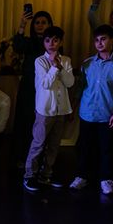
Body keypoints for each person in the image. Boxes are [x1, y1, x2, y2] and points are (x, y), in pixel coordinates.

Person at [70, 25, 113, 195]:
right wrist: (73, 109)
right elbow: (81, 88)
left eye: (103, 39)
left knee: (106, 149)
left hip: (107, 113)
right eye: (96, 40)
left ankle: (106, 179)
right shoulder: (87, 63)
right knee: (84, 147)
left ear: (112, 40)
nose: (99, 43)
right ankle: (81, 176)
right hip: (87, 112)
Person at [22, 26, 74, 192]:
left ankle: (46, 174)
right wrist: (54, 67)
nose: (51, 43)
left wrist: (60, 66)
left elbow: (70, 82)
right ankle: (29, 175)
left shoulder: (66, 60)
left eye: (55, 40)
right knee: (38, 143)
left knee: (54, 144)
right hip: (45, 110)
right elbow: (45, 84)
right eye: (47, 40)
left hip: (61, 110)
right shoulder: (40, 61)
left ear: (60, 42)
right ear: (43, 42)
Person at [12, 9, 53, 167]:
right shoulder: (29, 42)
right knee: (25, 121)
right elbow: (17, 46)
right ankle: (23, 157)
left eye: (43, 22)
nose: (40, 25)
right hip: (29, 87)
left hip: (46, 89)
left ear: (49, 24)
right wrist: (22, 23)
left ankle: (40, 159)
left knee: (42, 124)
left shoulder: (53, 43)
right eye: (37, 22)